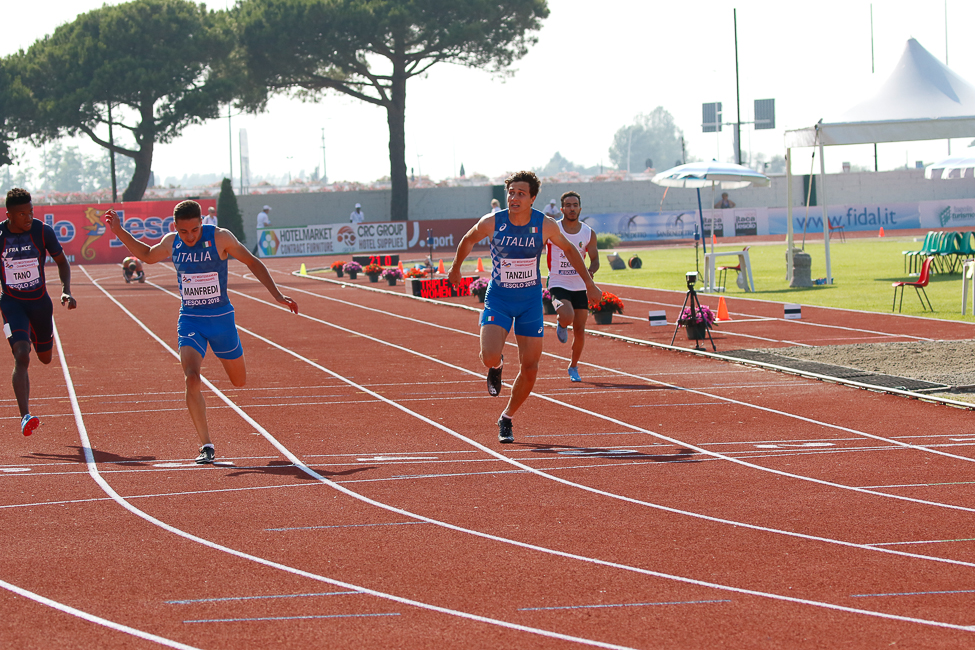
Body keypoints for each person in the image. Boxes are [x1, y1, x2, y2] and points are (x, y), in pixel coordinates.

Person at [104, 200, 298, 464]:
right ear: (175, 228)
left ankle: (230, 354)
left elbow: (252, 262)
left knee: (239, 381)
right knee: (192, 378)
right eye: (184, 232)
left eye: (194, 230)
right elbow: (148, 255)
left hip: (221, 320)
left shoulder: (220, 237)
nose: (190, 236)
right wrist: (119, 231)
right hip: (191, 319)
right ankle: (206, 445)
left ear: (201, 224)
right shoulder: (172, 241)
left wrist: (276, 295)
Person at [448, 171, 600, 444]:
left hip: (530, 302)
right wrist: (456, 267)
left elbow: (569, 250)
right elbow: (468, 239)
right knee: (489, 357)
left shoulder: (546, 224)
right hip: (500, 298)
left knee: (530, 368)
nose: (514, 198)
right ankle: (498, 366)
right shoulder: (493, 222)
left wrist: (588, 283)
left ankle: (506, 418)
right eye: (511, 193)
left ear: (532, 198)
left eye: (520, 193)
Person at [1, 188, 77, 436]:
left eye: (31, 211)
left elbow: (62, 262)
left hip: (40, 304)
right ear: (9, 215)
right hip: (12, 303)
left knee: (45, 358)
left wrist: (66, 290)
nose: (28, 217)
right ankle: (25, 416)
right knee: (21, 354)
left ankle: (35, 332)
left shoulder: (42, 231)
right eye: (22, 214)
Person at [546, 191, 599, 382]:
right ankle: (561, 323)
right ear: (562, 209)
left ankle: (574, 366)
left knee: (580, 329)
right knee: (567, 315)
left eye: (575, 205)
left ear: (580, 208)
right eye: (568, 205)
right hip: (558, 282)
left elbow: (595, 260)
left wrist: (591, 274)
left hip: (580, 285)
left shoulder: (588, 232)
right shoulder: (553, 229)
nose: (571, 208)